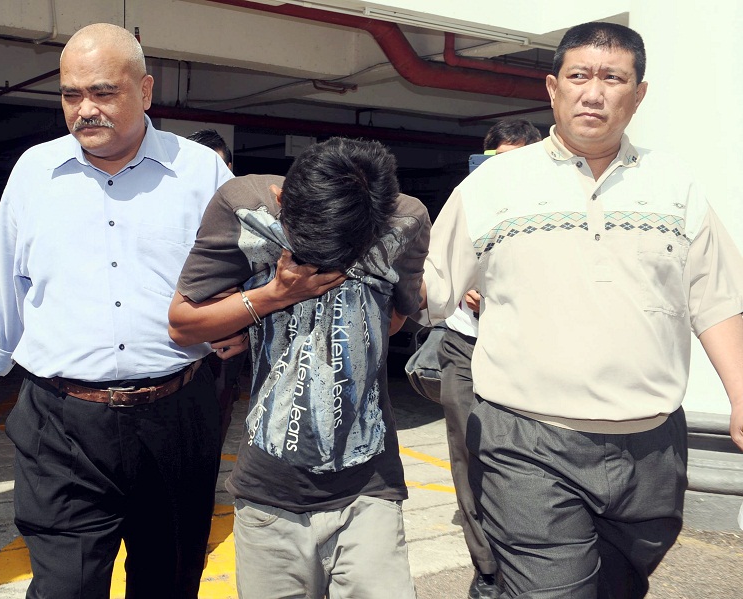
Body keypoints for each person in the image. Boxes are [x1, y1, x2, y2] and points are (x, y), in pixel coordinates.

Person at [421, 21, 743, 598]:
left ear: (639, 94)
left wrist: (742, 396)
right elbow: (433, 289)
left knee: (616, 588)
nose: (593, 92)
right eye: (579, 76)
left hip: (652, 445)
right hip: (525, 438)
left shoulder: (677, 186)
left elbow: (716, 299)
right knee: (555, 589)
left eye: (613, 78)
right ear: (553, 87)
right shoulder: (492, 185)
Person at [0, 23, 239, 599]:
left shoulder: (202, 173)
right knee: (66, 587)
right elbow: (0, 281)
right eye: (71, 95)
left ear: (146, 91)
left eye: (104, 92)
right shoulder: (34, 173)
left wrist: (245, 320)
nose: (86, 109)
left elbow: (255, 266)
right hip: (60, 422)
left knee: (167, 580)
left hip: (177, 412)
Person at [168, 136, 431, 599]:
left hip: (370, 480)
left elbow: (392, 321)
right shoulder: (241, 204)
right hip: (271, 487)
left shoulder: (404, 220)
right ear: (282, 200)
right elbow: (183, 323)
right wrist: (275, 297)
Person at [438, 118, 541, 599]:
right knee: (468, 457)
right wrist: (464, 289)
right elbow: (435, 272)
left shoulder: (552, 205)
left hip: (529, 351)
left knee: (528, 460)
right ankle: (487, 569)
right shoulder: (468, 197)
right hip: (466, 347)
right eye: (499, 159)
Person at [187, 127, 246, 449]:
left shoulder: (246, 220)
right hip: (173, 346)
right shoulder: (169, 217)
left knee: (212, 428)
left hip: (223, 346)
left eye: (219, 168)